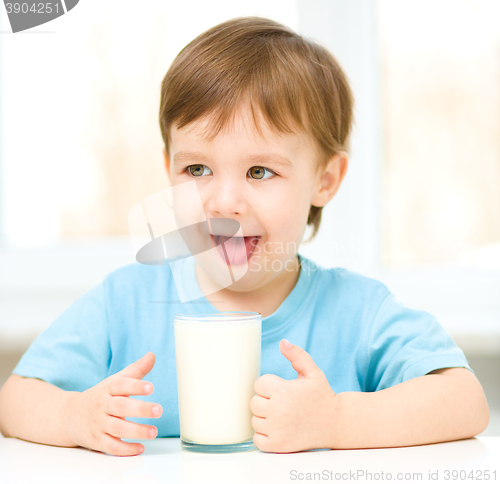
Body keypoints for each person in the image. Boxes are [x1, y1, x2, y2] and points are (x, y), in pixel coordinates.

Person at [0, 16, 489, 457]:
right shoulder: (125, 303)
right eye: (197, 168)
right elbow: (16, 399)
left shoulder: (357, 313)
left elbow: (464, 402)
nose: (223, 202)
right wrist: (77, 417)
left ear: (325, 180)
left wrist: (336, 420)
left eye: (259, 171)